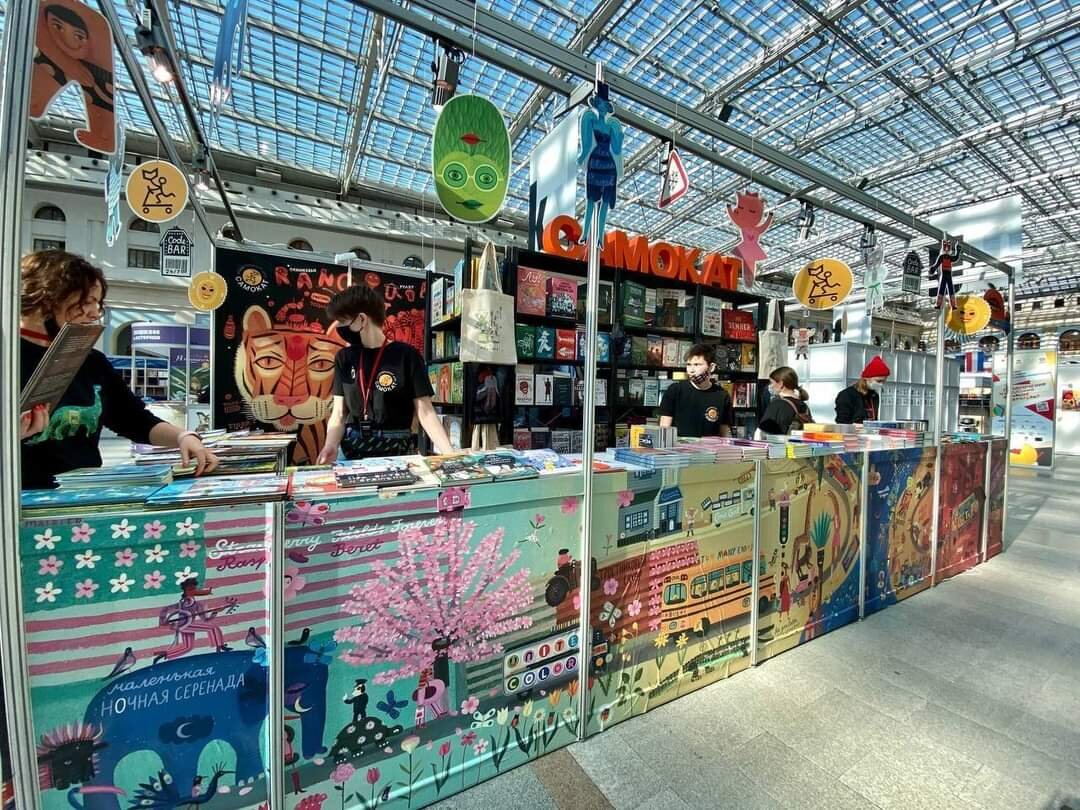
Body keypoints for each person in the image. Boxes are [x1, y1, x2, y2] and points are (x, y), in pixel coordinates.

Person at [19, 250, 217, 489]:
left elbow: (133, 419)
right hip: (17, 500)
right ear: (45, 298)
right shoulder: (9, 357)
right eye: (85, 302)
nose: (94, 313)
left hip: (82, 495)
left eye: (98, 304)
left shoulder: (92, 361)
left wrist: (183, 437)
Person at [317, 285, 452, 462]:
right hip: (352, 451)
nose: (340, 327)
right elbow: (339, 413)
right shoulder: (345, 358)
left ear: (362, 319)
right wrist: (330, 445)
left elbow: (425, 412)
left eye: (343, 321)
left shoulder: (407, 356)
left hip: (397, 451)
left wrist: (450, 454)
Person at [658, 343, 733, 438]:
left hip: (709, 447)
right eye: (689, 365)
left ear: (711, 367)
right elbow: (664, 428)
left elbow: (725, 431)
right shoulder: (675, 390)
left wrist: (730, 445)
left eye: (697, 364)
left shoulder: (722, 395)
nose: (691, 370)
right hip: (679, 446)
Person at [757, 367, 812, 435]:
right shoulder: (805, 406)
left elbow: (762, 433)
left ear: (781, 384)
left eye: (772, 383)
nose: (770, 386)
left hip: (780, 442)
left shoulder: (777, 405)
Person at [835, 356, 890, 424]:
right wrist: (855, 426)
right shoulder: (846, 395)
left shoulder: (874, 395)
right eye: (878, 381)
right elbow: (842, 422)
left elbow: (874, 418)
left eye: (884, 381)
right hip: (852, 430)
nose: (881, 384)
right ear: (867, 378)